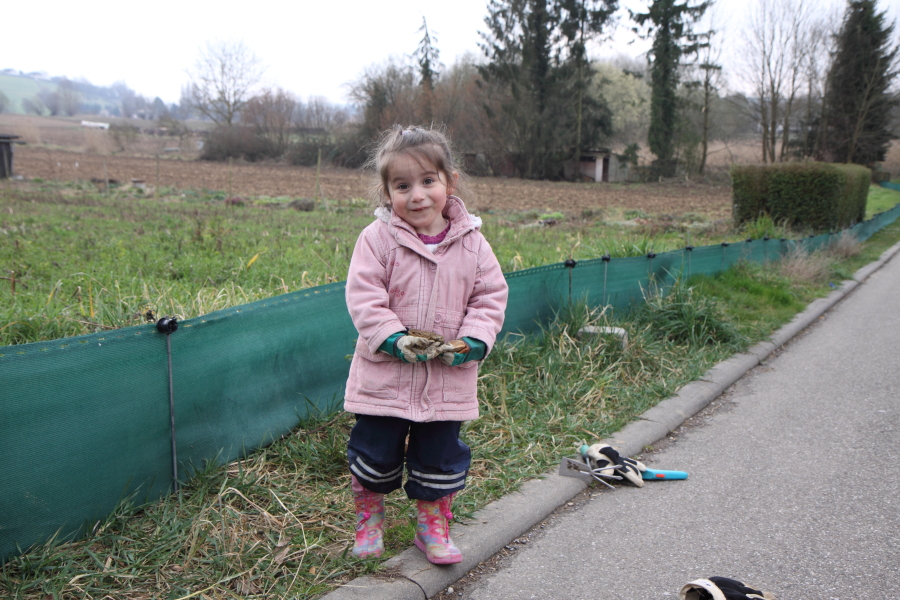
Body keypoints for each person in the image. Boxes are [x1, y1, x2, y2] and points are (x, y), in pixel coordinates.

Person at [343, 125, 508, 565]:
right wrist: (394, 339)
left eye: (427, 182)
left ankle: (431, 525)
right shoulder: (377, 240)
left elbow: (490, 297)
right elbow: (364, 298)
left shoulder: (473, 243)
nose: (416, 195)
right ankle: (369, 519)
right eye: (402, 186)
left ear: (449, 182)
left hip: (446, 380)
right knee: (374, 453)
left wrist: (473, 341)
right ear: (386, 193)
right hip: (384, 377)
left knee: (440, 458)